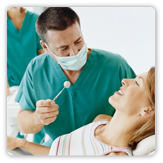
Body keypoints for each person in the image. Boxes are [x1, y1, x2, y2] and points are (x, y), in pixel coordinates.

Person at [14, 7, 136, 147]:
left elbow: (142, 109)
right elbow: (23, 124)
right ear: (45, 47)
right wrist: (37, 118)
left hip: (105, 146)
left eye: (78, 41)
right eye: (64, 48)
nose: (74, 53)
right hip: (57, 147)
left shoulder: (115, 66)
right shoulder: (36, 69)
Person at [7, 67, 155, 156]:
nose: (124, 80)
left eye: (136, 82)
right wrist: (21, 143)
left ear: (148, 110)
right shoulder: (100, 122)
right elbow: (60, 153)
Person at [7, 7, 45, 144]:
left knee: (38, 116)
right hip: (12, 82)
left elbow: (43, 56)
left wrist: (43, 82)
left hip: (34, 80)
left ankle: (39, 146)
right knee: (17, 120)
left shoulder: (35, 20)